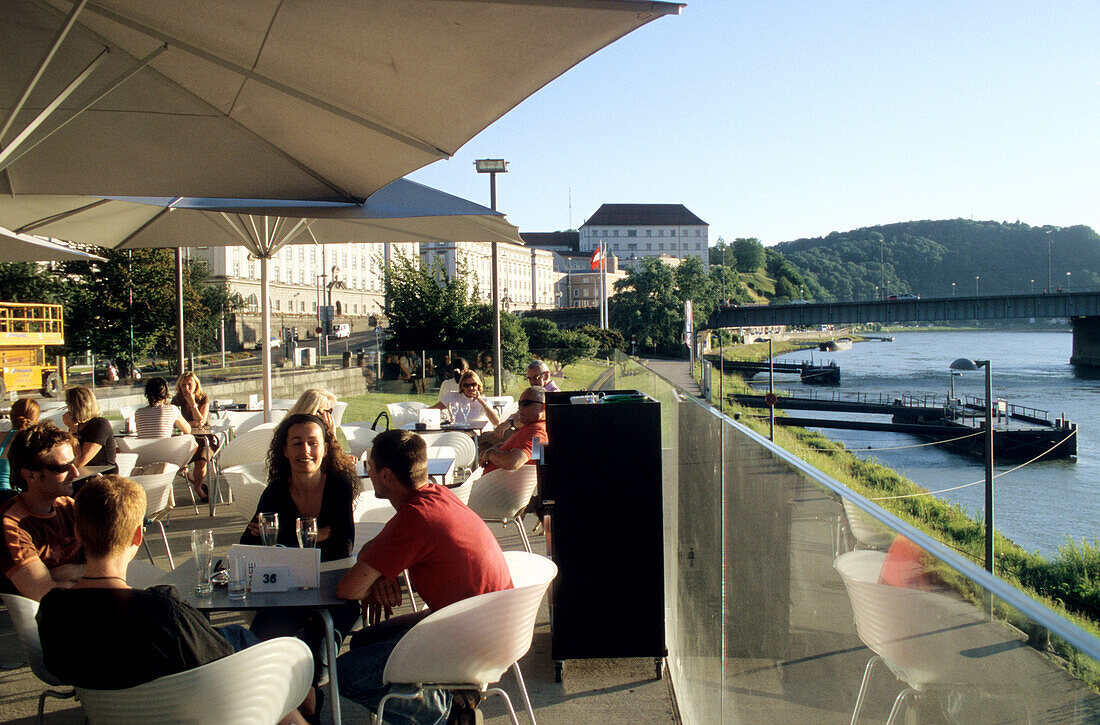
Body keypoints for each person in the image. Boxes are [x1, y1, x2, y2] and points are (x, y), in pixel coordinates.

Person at [34, 475, 315, 724]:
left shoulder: (52, 611)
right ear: (137, 536)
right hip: (193, 712)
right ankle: (305, 697)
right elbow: (226, 669)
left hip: (108, 714)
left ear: (78, 533)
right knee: (242, 643)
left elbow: (59, 668)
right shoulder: (161, 613)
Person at [335, 430, 513, 723]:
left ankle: (442, 715)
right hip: (490, 623)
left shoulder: (416, 517)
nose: (366, 472)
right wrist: (381, 575)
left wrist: (374, 574)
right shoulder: (437, 496)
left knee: (344, 674)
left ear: (386, 476)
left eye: (369, 467)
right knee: (365, 642)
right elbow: (376, 547)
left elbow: (349, 590)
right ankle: (444, 697)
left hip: (470, 638)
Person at [239, 413, 358, 562]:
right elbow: (248, 543)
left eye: (313, 443)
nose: (305, 450)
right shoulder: (276, 491)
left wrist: (278, 537)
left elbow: (343, 547)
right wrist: (315, 535)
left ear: (325, 449)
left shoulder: (338, 488)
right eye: (297, 443)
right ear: (285, 451)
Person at [0, 423, 83, 600]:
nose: (75, 473)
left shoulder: (68, 506)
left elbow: (115, 557)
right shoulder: (12, 525)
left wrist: (63, 573)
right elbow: (43, 594)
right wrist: (91, 572)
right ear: (30, 476)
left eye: (73, 463)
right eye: (63, 468)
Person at [480, 386, 547, 475]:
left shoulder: (536, 431)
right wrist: (494, 449)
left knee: (482, 438)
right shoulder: (530, 426)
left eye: (526, 403)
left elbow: (513, 462)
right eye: (520, 403)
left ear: (542, 407)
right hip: (493, 483)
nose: (520, 407)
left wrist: (490, 454)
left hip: (496, 487)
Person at [172, 372, 212, 501]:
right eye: (183, 385)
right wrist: (190, 424)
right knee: (178, 463)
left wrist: (192, 403)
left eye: (189, 384)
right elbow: (175, 423)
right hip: (184, 438)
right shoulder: (176, 400)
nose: (186, 388)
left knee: (201, 460)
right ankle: (197, 484)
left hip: (203, 438)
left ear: (196, 385)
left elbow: (201, 421)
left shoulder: (203, 398)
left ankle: (197, 487)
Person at [62, 386, 117, 469]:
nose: (67, 410)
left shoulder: (99, 425)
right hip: (83, 475)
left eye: (68, 405)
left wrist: (73, 430)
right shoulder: (78, 425)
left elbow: (79, 462)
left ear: (75, 407)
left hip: (102, 476)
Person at [430, 370, 501, 428]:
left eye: (473, 384)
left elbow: (496, 422)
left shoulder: (484, 401)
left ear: (478, 385)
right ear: (462, 386)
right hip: (458, 433)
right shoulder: (452, 396)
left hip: (479, 434)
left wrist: (482, 402)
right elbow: (434, 409)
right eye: (466, 385)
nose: (470, 388)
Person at [0, 398, 39, 490]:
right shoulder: (34, 441)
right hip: (15, 495)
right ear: (36, 418)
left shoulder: (1, 437)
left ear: (11, 416)